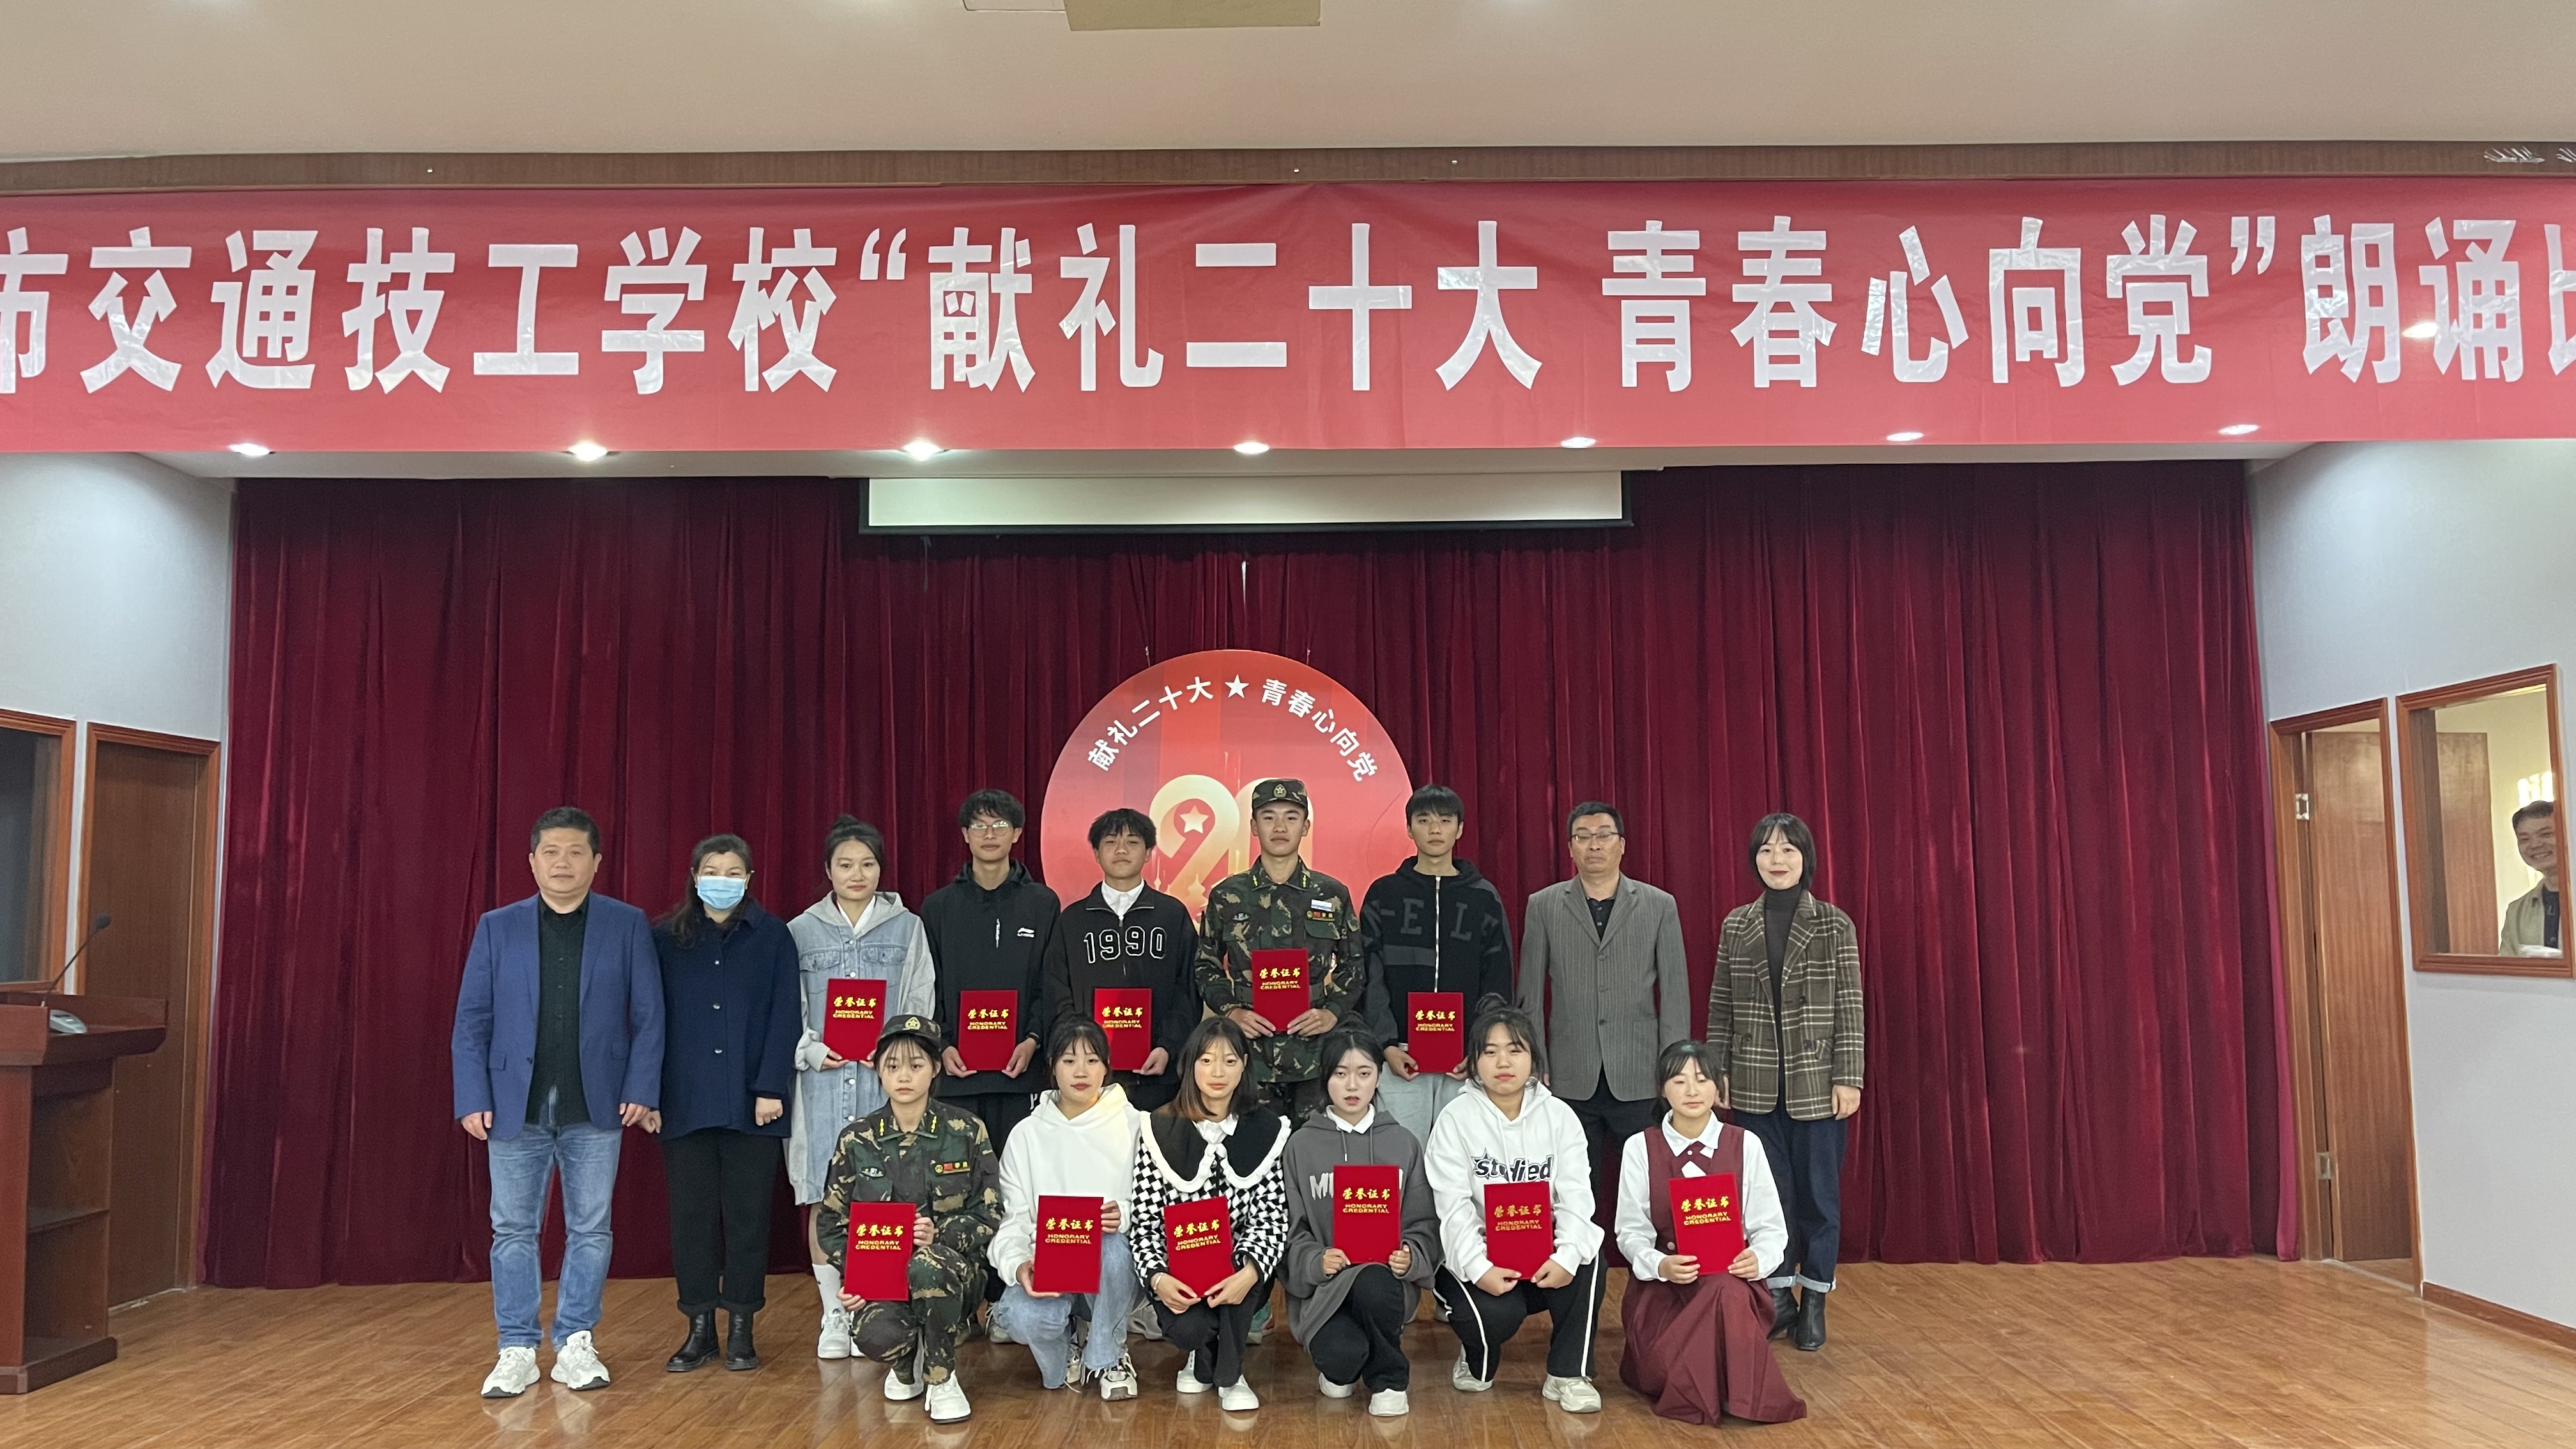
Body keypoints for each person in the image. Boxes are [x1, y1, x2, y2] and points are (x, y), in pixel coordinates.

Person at [451, 806, 665, 1399]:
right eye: (551, 852)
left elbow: (650, 1016)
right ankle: (517, 1346)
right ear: (532, 862)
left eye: (575, 852)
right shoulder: (498, 927)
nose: (562, 863)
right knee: (512, 1230)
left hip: (597, 1105)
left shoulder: (626, 925)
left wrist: (640, 1088)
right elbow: (471, 1019)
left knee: (591, 1228)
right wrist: (472, 1095)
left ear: (596, 862)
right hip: (512, 1106)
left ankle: (575, 1340)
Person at [1705, 812, 1863, 1352]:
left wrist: (1849, 1077)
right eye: (1767, 850)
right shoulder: (1736, 925)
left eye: (1788, 850)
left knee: (1819, 1196)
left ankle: (1815, 1299)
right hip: (1753, 1082)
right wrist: (1717, 1071)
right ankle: (1779, 1300)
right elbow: (1721, 1006)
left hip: (1817, 1082)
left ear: (1805, 859)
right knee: (1765, 1196)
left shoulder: (1834, 924)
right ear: (1755, 859)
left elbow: (1851, 1008)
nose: (1777, 860)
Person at [646, 833, 800, 1374]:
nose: (723, 880)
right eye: (712, 870)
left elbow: (786, 1014)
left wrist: (770, 1088)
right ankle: (699, 1329)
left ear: (749, 879)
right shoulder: (664, 938)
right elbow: (648, 1019)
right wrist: (649, 1094)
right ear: (694, 876)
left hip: (753, 1104)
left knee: (747, 1219)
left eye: (734, 872)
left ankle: (741, 1327)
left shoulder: (772, 935)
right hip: (682, 1102)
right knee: (690, 1220)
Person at [787, 815, 935, 1360]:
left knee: (892, 1195)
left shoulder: (908, 927)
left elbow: (920, 997)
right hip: (821, 1085)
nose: (857, 874)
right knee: (823, 1196)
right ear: (827, 870)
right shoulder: (800, 931)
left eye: (867, 864)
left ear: (881, 869)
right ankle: (834, 1312)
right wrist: (810, 1050)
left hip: (885, 1084)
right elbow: (788, 1007)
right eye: (845, 864)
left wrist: (898, 1049)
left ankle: (879, 1307)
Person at [918, 788, 1059, 1338]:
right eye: (980, 825)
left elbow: (1051, 983)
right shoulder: (938, 908)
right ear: (965, 835)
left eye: (1001, 825)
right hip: (957, 1075)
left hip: (1020, 1073)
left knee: (1015, 1188)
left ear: (1018, 834)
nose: (990, 834)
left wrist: (1033, 1038)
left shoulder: (1042, 904)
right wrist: (942, 1043)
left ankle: (1006, 1302)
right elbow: (928, 988)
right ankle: (961, 1301)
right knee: (958, 1191)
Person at [815, 1014, 1000, 1425]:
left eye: (916, 1065)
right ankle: (906, 1362)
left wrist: (941, 1233)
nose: (904, 1076)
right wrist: (854, 1275)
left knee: (928, 1264)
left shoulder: (966, 1130)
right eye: (893, 1065)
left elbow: (990, 1213)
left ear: (934, 1069)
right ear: (878, 1070)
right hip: (885, 1280)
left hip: (954, 1275)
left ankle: (942, 1377)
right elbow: (831, 1223)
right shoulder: (857, 1138)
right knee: (874, 1335)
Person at [1425, 1000, 1607, 1413]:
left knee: (1590, 1253)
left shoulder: (1560, 1116)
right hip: (1483, 1259)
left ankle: (1569, 1374)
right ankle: (1477, 1358)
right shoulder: (1455, 1119)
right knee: (1496, 1317)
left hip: (1544, 1258)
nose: (1503, 1062)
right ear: (1474, 1061)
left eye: (1515, 1050)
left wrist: (1566, 1257)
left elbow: (1577, 1198)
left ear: (1533, 1058)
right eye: (1490, 1052)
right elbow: (1452, 1209)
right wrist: (1479, 1268)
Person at [1516, 801, 1690, 1229]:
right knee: (1574, 1188)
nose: (1594, 845)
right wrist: (1535, 1061)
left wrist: (1673, 1069)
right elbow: (1530, 995)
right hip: (1569, 1072)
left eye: (1604, 836)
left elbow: (1675, 993)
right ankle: (1583, 1267)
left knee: (1649, 1184)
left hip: (1639, 1070)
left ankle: (1656, 1265)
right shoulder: (1543, 905)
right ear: (1571, 847)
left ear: (1622, 844)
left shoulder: (1659, 905)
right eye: (1583, 837)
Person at [1614, 1040, 1805, 1426]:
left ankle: (1718, 1391)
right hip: (1665, 1290)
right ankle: (1739, 1391)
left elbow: (1771, 1227)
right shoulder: (1640, 1147)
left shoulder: (1745, 1143)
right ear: (1662, 1088)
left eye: (1702, 1080)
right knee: (1661, 1364)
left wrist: (1759, 1259)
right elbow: (1629, 1233)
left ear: (1719, 1087)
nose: (1692, 1090)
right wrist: (1661, 1265)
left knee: (1724, 1289)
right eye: (1679, 1081)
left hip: (1730, 1281)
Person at [1130, 1016, 1290, 1412]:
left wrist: (1248, 1273)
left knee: (1241, 1276)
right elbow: (1144, 1224)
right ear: (1189, 1065)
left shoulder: (1267, 1129)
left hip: (1241, 1269)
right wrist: (1159, 1278)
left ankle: (1230, 1376)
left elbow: (1272, 1216)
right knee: (1190, 1327)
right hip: (1179, 1271)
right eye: (1206, 1060)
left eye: (1230, 1061)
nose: (1218, 1072)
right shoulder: (1159, 1128)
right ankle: (1201, 1355)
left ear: (1244, 1066)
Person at [1281, 1025, 1441, 1418]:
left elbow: (1423, 1222)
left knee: (1373, 1282)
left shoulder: (1403, 1143)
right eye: (1340, 1074)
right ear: (1325, 1078)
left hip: (1384, 1283)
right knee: (1342, 1363)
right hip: (1325, 1290)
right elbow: (1289, 1228)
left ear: (1378, 1077)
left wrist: (1411, 1255)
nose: (1352, 1085)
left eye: (1364, 1073)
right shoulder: (1300, 1145)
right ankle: (1349, 1361)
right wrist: (1315, 1260)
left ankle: (1389, 1381)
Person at [988, 1018, 1146, 1399]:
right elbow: (1012, 1218)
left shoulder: (1136, 1125)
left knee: (1113, 1248)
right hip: (1049, 1269)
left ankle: (1109, 1355)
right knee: (1023, 1318)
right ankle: (1068, 1345)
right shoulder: (1026, 1134)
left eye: (1092, 1060)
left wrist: (1125, 1213)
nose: (1081, 1072)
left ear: (1107, 1067)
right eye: (1069, 1060)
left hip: (1112, 1274)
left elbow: (1155, 1205)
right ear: (1052, 1067)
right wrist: (1018, 1264)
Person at [1193, 777, 1365, 1117]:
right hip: (1247, 1055)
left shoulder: (1331, 894)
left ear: (1306, 827)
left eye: (1291, 817)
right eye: (1269, 817)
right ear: (1254, 827)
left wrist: (1332, 1012)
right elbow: (1206, 964)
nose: (1280, 827)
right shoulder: (1228, 895)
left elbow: (1354, 964)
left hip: (1315, 1054)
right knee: (1252, 1146)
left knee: (1314, 1146)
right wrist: (1231, 1011)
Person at [1360, 783, 1515, 1147]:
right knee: (1402, 1155)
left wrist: (1480, 1046)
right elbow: (1369, 972)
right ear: (1408, 828)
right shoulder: (1384, 894)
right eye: (1424, 820)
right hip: (1402, 1056)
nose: (1434, 829)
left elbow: (1498, 976)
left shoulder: (1483, 897)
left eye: (1445, 821)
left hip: (1464, 1059)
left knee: (1463, 1156)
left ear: (1459, 829)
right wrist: (1385, 1044)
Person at [1039, 806, 1197, 1112]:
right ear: (1097, 854)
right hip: (1089, 1076)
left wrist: (1168, 1046)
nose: (1121, 850)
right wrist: (1081, 1051)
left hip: (1158, 1072)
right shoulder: (1073, 920)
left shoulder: (1172, 915)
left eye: (1133, 842)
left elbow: (1187, 989)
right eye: (1111, 842)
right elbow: (1056, 992)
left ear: (1148, 853)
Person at [2499, 799, 2561, 955]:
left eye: (2546, 834)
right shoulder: (2516, 912)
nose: (2535, 845)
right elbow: (2509, 966)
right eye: (2525, 839)